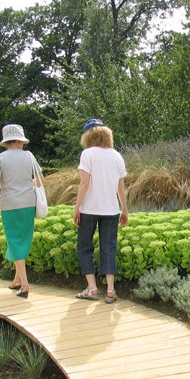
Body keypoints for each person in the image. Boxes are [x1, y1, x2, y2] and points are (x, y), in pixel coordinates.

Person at [73, 118, 128, 304]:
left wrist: (77, 208)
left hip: (89, 208)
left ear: (87, 136)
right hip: (111, 210)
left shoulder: (87, 154)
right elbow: (121, 188)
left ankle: (92, 288)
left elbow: (85, 183)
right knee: (108, 248)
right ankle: (111, 290)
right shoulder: (117, 156)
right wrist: (125, 210)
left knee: (84, 246)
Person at [0, 124, 42, 299]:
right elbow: (39, 178)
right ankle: (17, 279)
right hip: (29, 202)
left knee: (14, 240)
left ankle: (25, 284)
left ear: (6, 141)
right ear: (20, 140)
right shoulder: (29, 155)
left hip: (10, 203)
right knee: (23, 239)